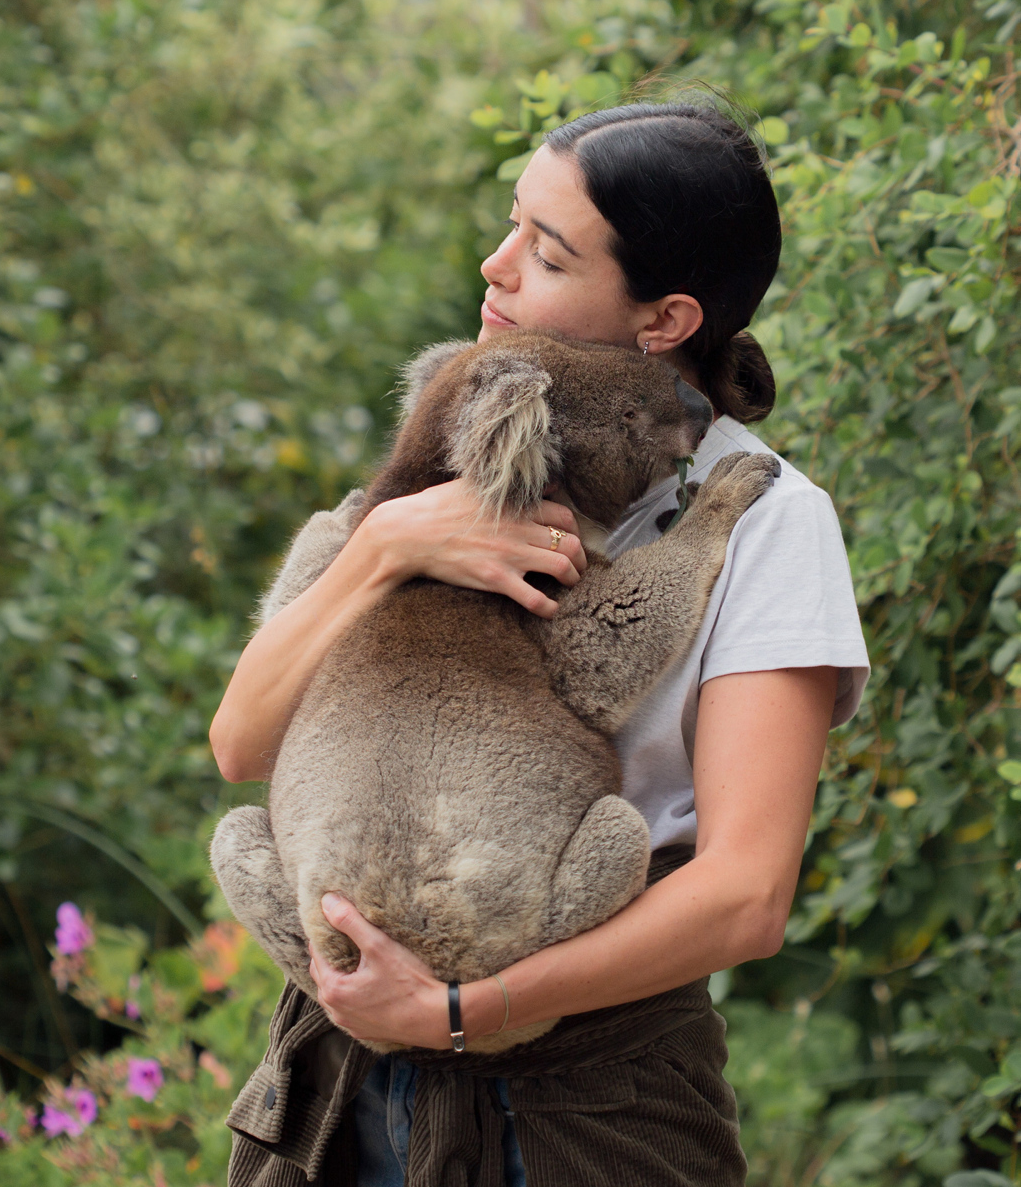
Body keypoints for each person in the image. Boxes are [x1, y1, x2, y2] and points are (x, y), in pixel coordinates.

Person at [209, 98, 870, 1187]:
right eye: (510, 223)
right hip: (339, 1077)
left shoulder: (763, 519)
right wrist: (383, 546)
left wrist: (463, 1009)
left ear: (663, 320)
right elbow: (241, 746)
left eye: (544, 252)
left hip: (588, 1098)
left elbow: (746, 894)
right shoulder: (449, 451)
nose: (494, 264)